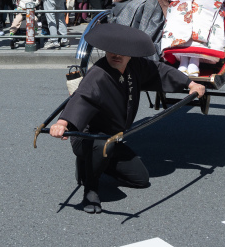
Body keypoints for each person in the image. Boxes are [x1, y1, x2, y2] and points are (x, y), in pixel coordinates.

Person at [48, 22, 205, 214]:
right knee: (102, 145)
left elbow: (160, 71)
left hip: (112, 138)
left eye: (122, 52)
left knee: (140, 179)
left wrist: (189, 83)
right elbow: (82, 98)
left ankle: (88, 165)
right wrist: (63, 123)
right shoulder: (98, 74)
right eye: (112, 51)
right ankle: (91, 186)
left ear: (131, 54)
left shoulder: (136, 66)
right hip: (88, 138)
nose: (116, 55)